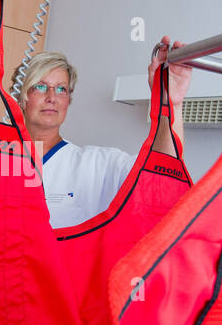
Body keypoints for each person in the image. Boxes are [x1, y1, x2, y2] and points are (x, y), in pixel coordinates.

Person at [20, 37, 192, 228]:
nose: (52, 97)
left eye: (61, 89)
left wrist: (169, 103)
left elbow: (162, 175)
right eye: (41, 87)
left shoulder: (96, 166)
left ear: (69, 100)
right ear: (20, 95)